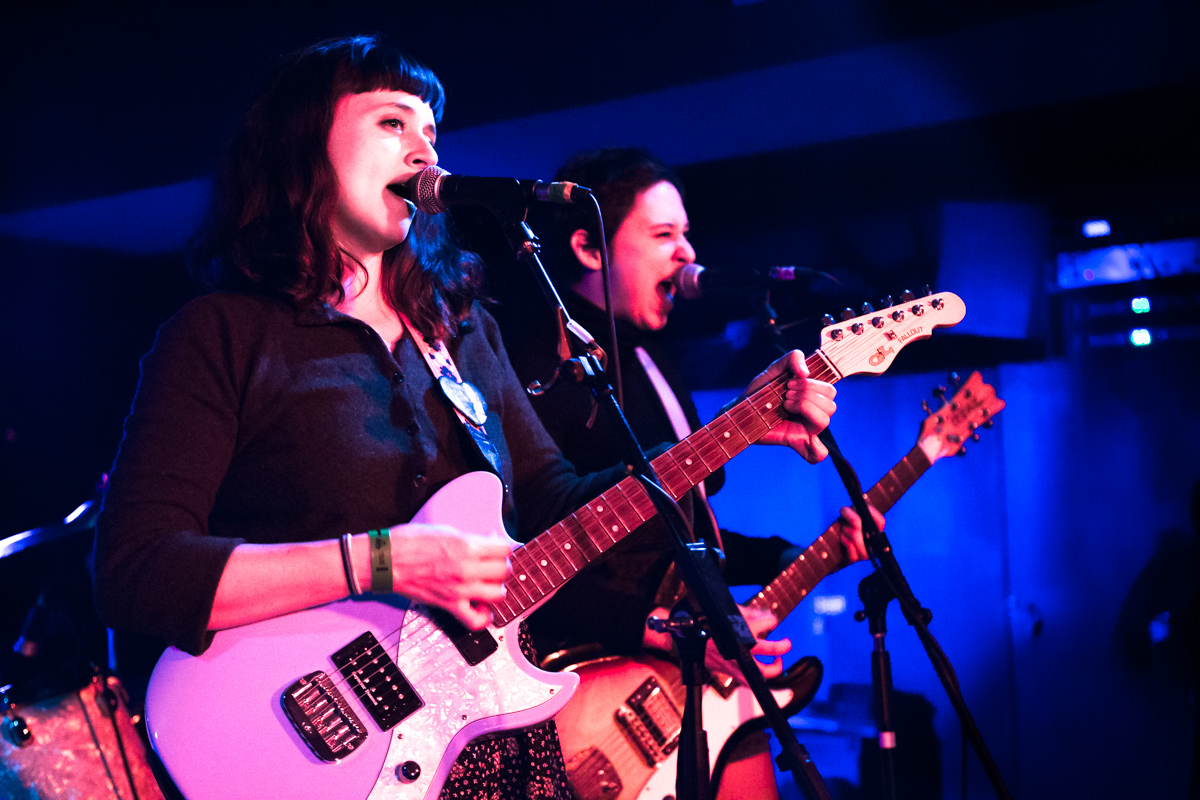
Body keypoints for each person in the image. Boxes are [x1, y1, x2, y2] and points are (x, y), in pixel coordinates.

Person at [91, 41, 835, 800]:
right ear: (303, 146)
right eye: (392, 123)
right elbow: (136, 572)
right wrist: (383, 560)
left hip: (489, 738)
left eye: (432, 132)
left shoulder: (460, 330)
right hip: (301, 738)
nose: (424, 148)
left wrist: (733, 433)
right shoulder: (223, 333)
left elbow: (553, 507)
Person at [499, 148, 881, 799]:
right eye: (662, 234)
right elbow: (536, 547)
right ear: (590, 248)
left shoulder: (658, 364)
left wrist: (803, 554)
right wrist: (655, 631)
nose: (686, 252)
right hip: (597, 686)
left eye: (686, 232)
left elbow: (686, 540)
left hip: (695, 670)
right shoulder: (532, 357)